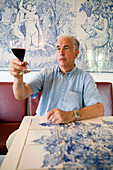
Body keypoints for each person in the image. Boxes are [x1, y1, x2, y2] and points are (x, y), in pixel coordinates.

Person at [9, 34, 104, 125]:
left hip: (72, 127)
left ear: (76, 54)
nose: (61, 52)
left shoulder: (85, 78)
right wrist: (18, 77)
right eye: (58, 48)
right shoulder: (46, 74)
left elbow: (99, 109)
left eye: (66, 48)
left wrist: (72, 115)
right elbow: (20, 94)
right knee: (12, 141)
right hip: (43, 124)